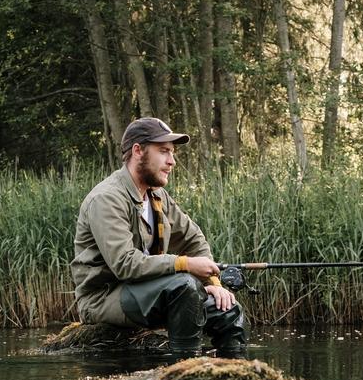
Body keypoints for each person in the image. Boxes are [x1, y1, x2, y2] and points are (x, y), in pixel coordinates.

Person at [71, 117, 246, 356]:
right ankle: (184, 371)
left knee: (227, 309)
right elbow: (125, 264)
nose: (171, 161)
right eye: (163, 151)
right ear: (137, 151)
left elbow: (193, 239)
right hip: (104, 299)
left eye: (172, 153)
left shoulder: (157, 195)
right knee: (184, 285)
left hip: (150, 293)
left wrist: (213, 284)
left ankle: (234, 377)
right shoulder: (107, 198)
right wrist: (186, 264)